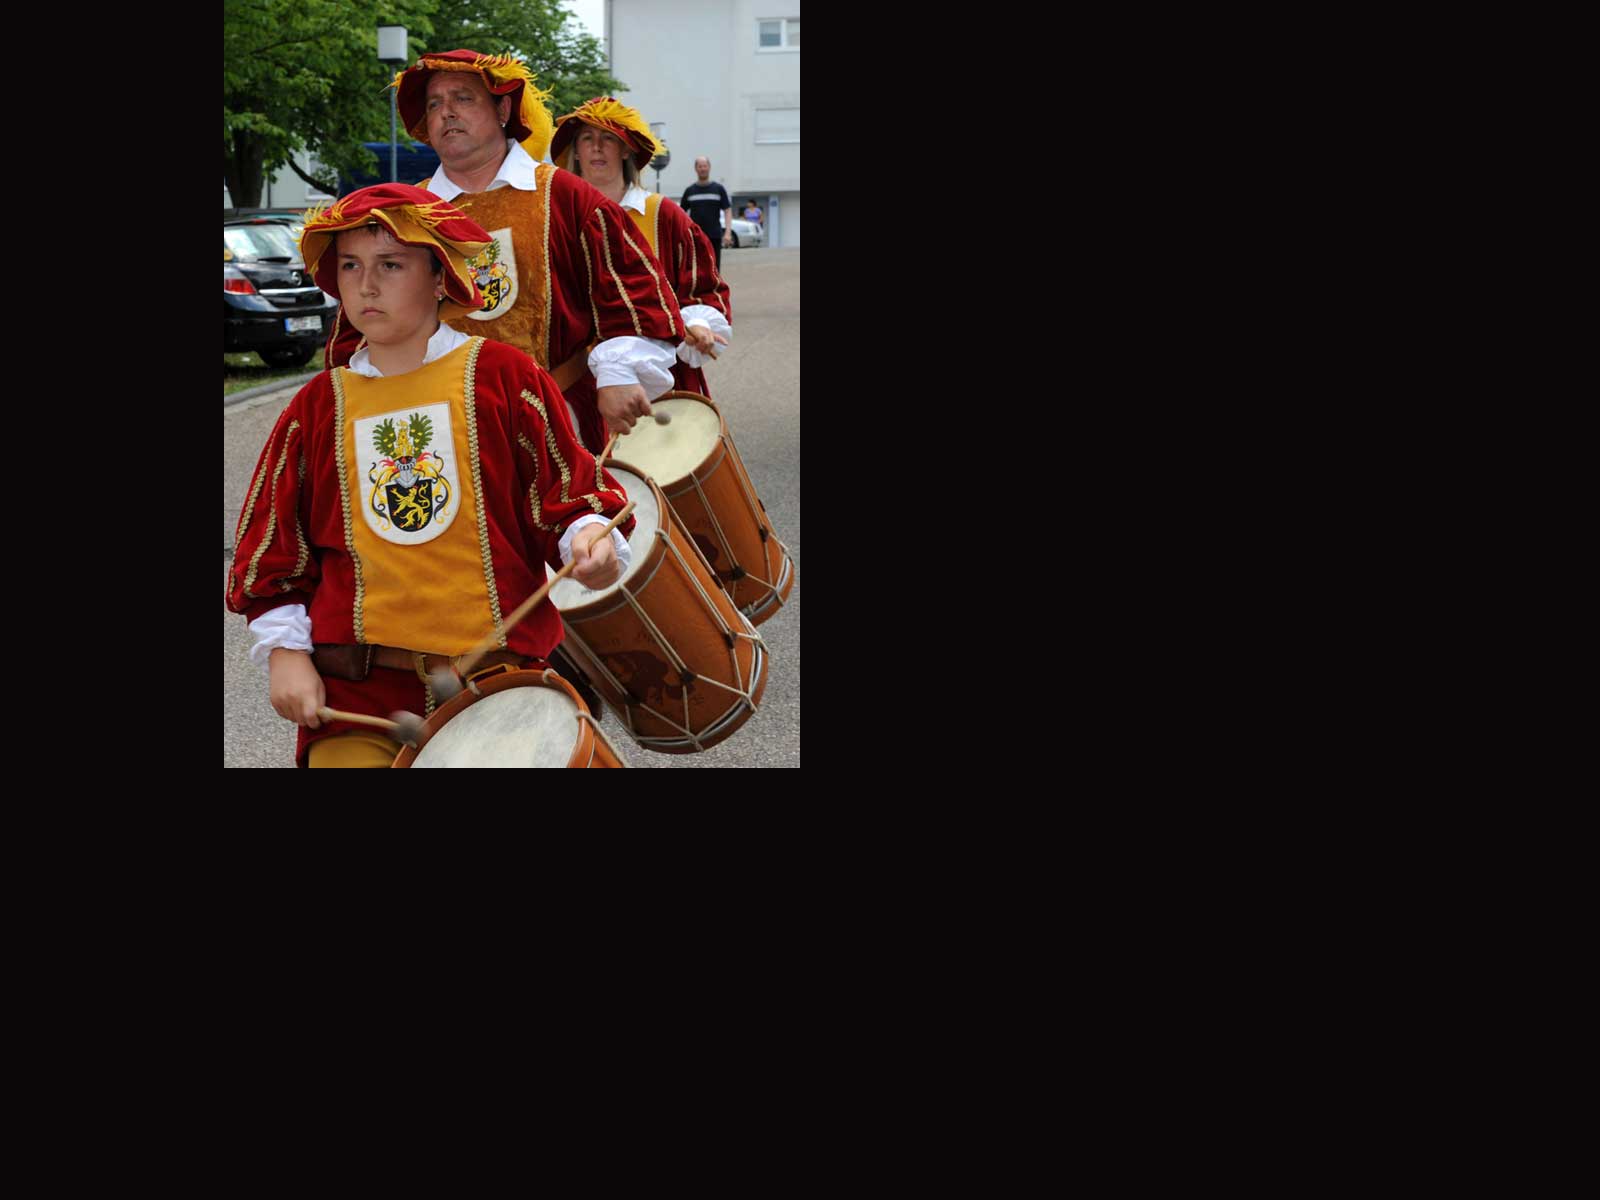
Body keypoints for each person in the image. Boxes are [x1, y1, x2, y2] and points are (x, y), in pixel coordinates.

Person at [229, 184, 636, 768]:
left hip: (497, 685)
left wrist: (590, 539)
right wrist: (286, 655)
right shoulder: (317, 405)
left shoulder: (503, 376)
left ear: (441, 277)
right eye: (350, 265)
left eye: (390, 265)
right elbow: (274, 549)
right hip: (357, 694)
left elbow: (569, 496)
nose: (366, 286)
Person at [324, 51, 685, 454]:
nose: (446, 112)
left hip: (554, 418)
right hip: (435, 428)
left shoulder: (566, 197)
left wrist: (618, 372)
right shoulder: (404, 213)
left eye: (463, 98)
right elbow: (361, 325)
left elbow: (636, 298)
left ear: (503, 109)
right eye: (434, 104)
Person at [551, 97, 731, 398]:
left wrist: (696, 322)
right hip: (579, 380)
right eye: (587, 138)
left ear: (626, 149)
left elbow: (701, 285)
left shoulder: (663, 214)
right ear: (576, 152)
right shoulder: (556, 217)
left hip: (658, 374)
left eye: (608, 138)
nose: (597, 147)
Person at [680, 157, 732, 270]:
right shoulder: (690, 191)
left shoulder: (718, 189)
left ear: (709, 167)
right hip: (696, 237)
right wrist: (682, 233)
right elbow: (681, 213)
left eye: (705, 166)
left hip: (714, 236)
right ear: (696, 169)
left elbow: (727, 210)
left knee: (714, 269)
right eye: (700, 166)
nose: (703, 169)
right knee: (697, 269)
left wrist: (727, 233)